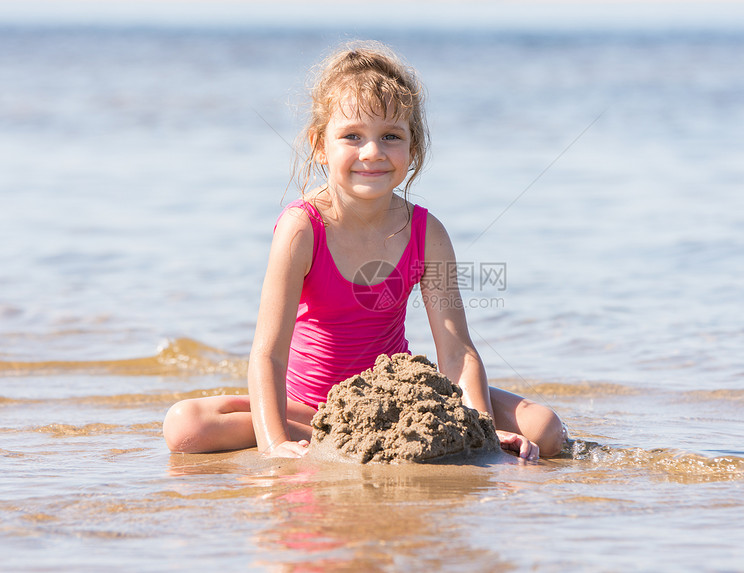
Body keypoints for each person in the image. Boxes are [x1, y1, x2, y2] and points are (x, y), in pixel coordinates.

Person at [162, 41, 566, 461]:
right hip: (309, 406)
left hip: (395, 403)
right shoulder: (302, 229)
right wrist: (274, 443)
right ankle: (329, 437)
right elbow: (267, 353)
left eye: (390, 136)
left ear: (413, 149)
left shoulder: (428, 233)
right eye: (352, 136)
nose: (372, 152)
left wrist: (479, 431)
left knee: (546, 430)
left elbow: (457, 352)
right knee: (185, 426)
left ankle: (354, 442)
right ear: (320, 145)